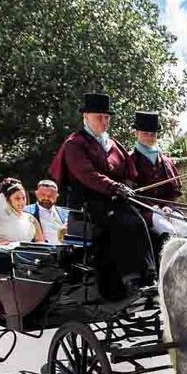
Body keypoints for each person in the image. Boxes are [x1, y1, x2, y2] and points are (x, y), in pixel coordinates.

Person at [49, 92, 153, 300]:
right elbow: (87, 174)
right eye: (99, 117)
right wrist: (115, 187)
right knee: (126, 222)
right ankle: (132, 278)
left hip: (115, 202)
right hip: (88, 207)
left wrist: (128, 187)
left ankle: (150, 272)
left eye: (107, 118)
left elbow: (129, 173)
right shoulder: (75, 144)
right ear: (85, 117)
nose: (104, 122)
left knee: (145, 219)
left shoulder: (113, 144)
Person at [130, 110, 187, 262]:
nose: (150, 137)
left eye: (153, 134)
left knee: (186, 229)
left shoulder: (166, 161)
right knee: (166, 229)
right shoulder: (130, 160)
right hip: (144, 211)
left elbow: (171, 193)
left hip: (167, 209)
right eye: (146, 133)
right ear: (137, 133)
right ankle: (162, 269)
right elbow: (131, 194)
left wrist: (168, 207)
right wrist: (154, 208)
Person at [24, 179, 69, 244]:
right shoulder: (26, 212)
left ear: (57, 196)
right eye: (43, 195)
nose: (46, 198)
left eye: (50, 196)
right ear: (36, 194)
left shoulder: (66, 213)